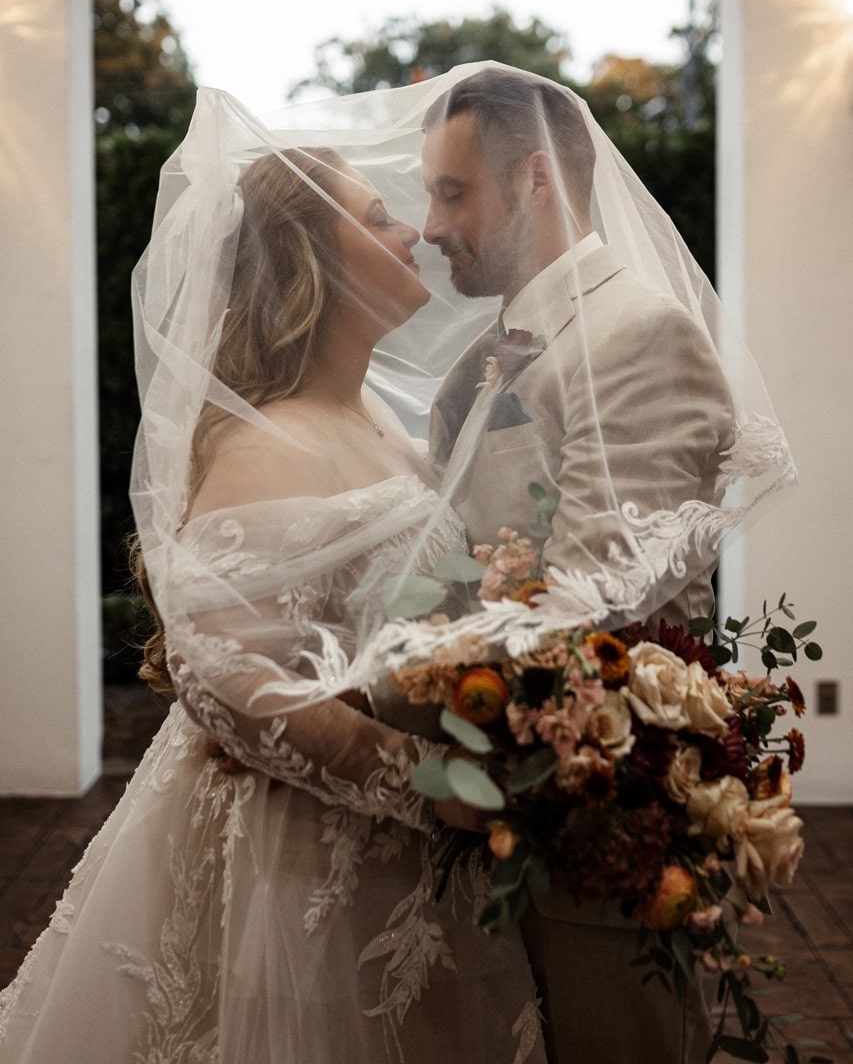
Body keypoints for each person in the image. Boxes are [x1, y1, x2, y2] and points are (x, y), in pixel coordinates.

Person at [0, 91, 546, 1064]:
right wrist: (437, 786)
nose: (412, 232)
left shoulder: (377, 413)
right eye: (375, 218)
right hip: (294, 869)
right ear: (314, 261)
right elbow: (229, 683)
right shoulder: (261, 445)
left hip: (412, 856)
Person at [417, 66, 797, 1064]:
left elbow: (600, 601)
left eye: (450, 191)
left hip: (593, 833)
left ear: (534, 179)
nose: (427, 224)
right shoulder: (486, 354)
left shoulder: (636, 336)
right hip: (498, 816)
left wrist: (383, 686)